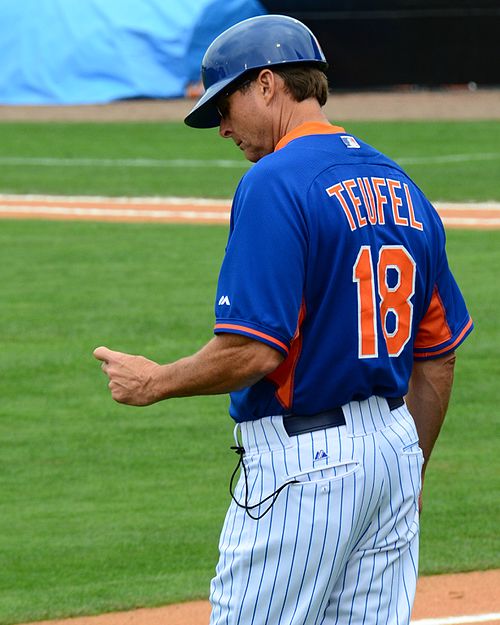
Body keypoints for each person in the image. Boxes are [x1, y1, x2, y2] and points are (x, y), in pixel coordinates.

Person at [94, 14, 473, 625]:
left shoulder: (274, 182)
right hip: (395, 453)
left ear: (267, 84)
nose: (221, 128)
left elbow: (254, 351)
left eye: (225, 105)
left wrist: (154, 382)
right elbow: (439, 352)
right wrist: (410, 469)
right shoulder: (401, 183)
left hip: (306, 468)